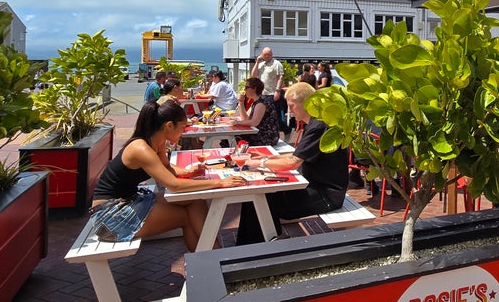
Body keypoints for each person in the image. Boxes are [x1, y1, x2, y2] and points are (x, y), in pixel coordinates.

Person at [89, 100, 246, 251]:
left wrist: (187, 172)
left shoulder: (156, 142)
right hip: (110, 216)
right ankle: (214, 258)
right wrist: (220, 183)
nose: (184, 132)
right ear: (169, 126)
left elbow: (165, 167)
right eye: (183, 128)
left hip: (130, 200)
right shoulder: (141, 149)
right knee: (186, 217)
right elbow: (174, 185)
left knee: (196, 201)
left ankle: (211, 255)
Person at [235, 82, 350, 244]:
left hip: (326, 196)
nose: (289, 111)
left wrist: (258, 162)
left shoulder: (319, 126)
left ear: (307, 103)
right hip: (315, 187)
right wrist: (264, 157)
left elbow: (293, 162)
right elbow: (298, 155)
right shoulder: (317, 123)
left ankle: (258, 247)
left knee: (261, 200)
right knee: (255, 198)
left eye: (292, 106)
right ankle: (249, 247)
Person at [237, 76, 282, 146]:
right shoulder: (256, 102)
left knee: (235, 139)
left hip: (266, 136)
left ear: (254, 88)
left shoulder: (261, 103)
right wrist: (241, 103)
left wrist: (236, 123)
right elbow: (245, 119)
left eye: (246, 87)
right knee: (233, 139)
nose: (244, 90)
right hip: (259, 133)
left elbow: (254, 122)